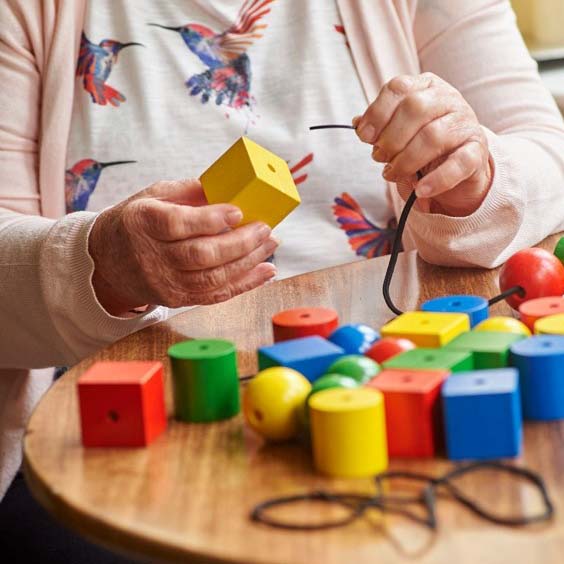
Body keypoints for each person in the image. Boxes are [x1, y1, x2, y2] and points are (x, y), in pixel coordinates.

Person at [2, 0, 564, 561]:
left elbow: (547, 149)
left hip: (389, 384)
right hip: (103, 442)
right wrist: (100, 261)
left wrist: (477, 173)